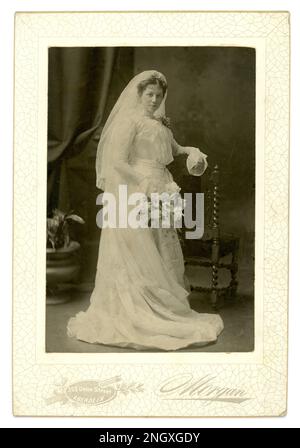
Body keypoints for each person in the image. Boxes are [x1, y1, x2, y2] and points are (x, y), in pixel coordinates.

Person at [67, 70, 224, 351]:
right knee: (138, 250)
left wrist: (191, 150)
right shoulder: (130, 122)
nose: (153, 99)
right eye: (148, 94)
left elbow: (174, 149)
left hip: (160, 186)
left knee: (160, 245)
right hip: (135, 188)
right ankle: (135, 308)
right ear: (138, 95)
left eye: (158, 95)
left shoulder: (159, 124)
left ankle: (163, 304)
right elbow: (116, 161)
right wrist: (144, 182)